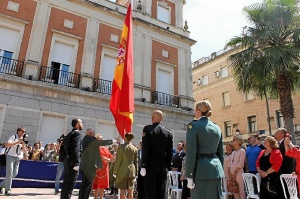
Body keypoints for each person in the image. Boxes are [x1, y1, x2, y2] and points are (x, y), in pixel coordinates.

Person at [185, 101, 224, 199]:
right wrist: (219, 170)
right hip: (216, 170)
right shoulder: (217, 128)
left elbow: (191, 152)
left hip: (200, 171)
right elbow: (220, 153)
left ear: (198, 111)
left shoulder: (193, 126)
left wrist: (189, 175)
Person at [140, 110, 173, 199]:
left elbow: (146, 149)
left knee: (150, 193)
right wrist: (168, 167)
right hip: (163, 167)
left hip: (150, 166)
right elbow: (169, 152)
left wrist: (143, 165)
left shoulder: (147, 129)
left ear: (152, 118)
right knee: (162, 193)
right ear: (162, 119)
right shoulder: (168, 132)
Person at [78, 128, 113, 199]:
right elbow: (101, 143)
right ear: (91, 133)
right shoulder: (91, 140)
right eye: (94, 134)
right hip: (89, 167)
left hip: (86, 165)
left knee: (84, 185)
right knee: (87, 185)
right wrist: (113, 141)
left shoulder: (85, 139)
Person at [60, 118, 83, 199]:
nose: (82, 124)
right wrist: (76, 163)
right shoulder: (77, 134)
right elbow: (76, 149)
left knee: (66, 183)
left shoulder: (69, 134)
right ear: (77, 124)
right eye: (81, 123)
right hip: (72, 162)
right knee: (70, 185)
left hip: (67, 160)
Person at [0, 127, 26, 196]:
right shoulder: (13, 137)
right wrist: (18, 142)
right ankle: (7, 190)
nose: (23, 132)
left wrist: (23, 145)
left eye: (24, 131)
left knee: (15, 173)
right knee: (9, 173)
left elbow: (24, 150)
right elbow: (7, 145)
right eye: (22, 131)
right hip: (10, 156)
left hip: (17, 157)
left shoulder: (22, 139)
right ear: (18, 131)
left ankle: (1, 185)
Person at [113, 133, 138, 199]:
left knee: (122, 191)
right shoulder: (135, 148)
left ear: (126, 138)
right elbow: (136, 162)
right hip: (132, 171)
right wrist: (136, 172)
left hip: (122, 171)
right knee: (130, 190)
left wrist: (115, 171)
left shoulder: (121, 147)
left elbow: (118, 160)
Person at [92, 134, 116, 199]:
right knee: (97, 185)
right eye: (99, 139)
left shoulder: (106, 148)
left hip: (105, 169)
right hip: (98, 168)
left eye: (102, 138)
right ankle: (95, 197)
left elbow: (111, 157)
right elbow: (100, 157)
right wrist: (108, 160)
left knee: (103, 184)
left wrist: (115, 155)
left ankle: (101, 197)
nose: (101, 140)